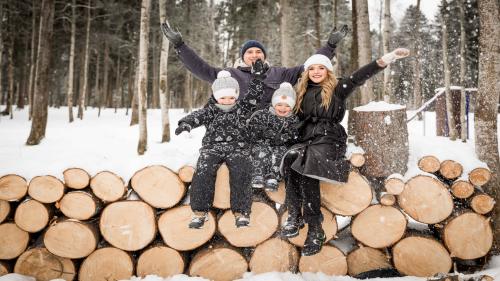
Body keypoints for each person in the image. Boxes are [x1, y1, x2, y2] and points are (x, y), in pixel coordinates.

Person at [281, 48, 410, 256]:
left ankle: (315, 228)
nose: (315, 72)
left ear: (328, 71)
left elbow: (358, 77)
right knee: (290, 159)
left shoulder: (337, 88)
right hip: (305, 137)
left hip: (328, 138)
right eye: (311, 68)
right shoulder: (300, 92)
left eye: (321, 68)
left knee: (308, 165)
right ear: (306, 72)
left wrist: (385, 60)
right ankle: (294, 215)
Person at [161, 21, 349, 106]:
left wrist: (330, 46)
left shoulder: (279, 74)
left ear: (264, 56)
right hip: (241, 128)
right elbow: (201, 69)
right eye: (249, 52)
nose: (254, 54)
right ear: (243, 57)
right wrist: (180, 46)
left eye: (258, 51)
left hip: (272, 127)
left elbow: (311, 66)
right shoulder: (230, 75)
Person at [175, 60, 267, 229]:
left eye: (231, 97)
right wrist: (186, 123)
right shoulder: (211, 110)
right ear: (216, 96)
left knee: (242, 171)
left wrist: (258, 78)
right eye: (223, 97)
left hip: (238, 147)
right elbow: (198, 115)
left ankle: (241, 213)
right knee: (203, 170)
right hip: (212, 148)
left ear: (237, 95)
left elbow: (254, 96)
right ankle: (200, 213)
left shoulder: (242, 108)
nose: (227, 100)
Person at [247, 82, 299, 191]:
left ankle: (273, 177)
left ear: (292, 107)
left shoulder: (293, 120)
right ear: (274, 104)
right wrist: (264, 132)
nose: (283, 108)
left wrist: (286, 137)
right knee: (262, 151)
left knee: (280, 154)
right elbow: (254, 127)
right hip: (262, 142)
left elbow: (294, 133)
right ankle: (258, 174)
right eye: (279, 104)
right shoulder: (264, 114)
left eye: (287, 105)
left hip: (280, 145)